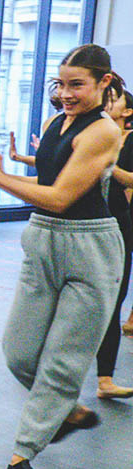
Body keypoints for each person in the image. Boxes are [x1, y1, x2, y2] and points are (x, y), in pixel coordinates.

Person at [0, 44, 122, 469]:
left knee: (63, 362)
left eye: (76, 85)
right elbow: (46, 187)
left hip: (89, 249)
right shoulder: (56, 122)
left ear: (104, 83)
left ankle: (21, 457)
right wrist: (4, 173)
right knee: (19, 352)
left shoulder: (103, 132)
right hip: (42, 240)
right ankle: (65, 413)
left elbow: (63, 197)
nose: (65, 94)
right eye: (60, 84)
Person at [92, 75, 133, 398]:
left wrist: (110, 165)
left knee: (114, 301)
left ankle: (105, 379)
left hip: (120, 225)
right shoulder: (95, 133)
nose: (108, 102)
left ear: (127, 110)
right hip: (89, 224)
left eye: (114, 98)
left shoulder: (129, 141)